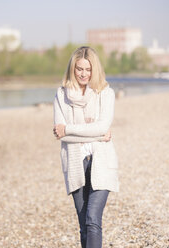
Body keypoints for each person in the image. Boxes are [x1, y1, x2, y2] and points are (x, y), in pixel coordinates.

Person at [53, 46, 119, 248]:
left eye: (88, 69)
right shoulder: (61, 94)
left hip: (102, 162)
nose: (84, 74)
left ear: (95, 70)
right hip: (75, 162)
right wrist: (97, 133)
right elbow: (59, 133)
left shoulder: (105, 93)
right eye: (79, 69)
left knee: (92, 219)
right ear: (72, 69)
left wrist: (69, 130)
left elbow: (101, 126)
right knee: (83, 225)